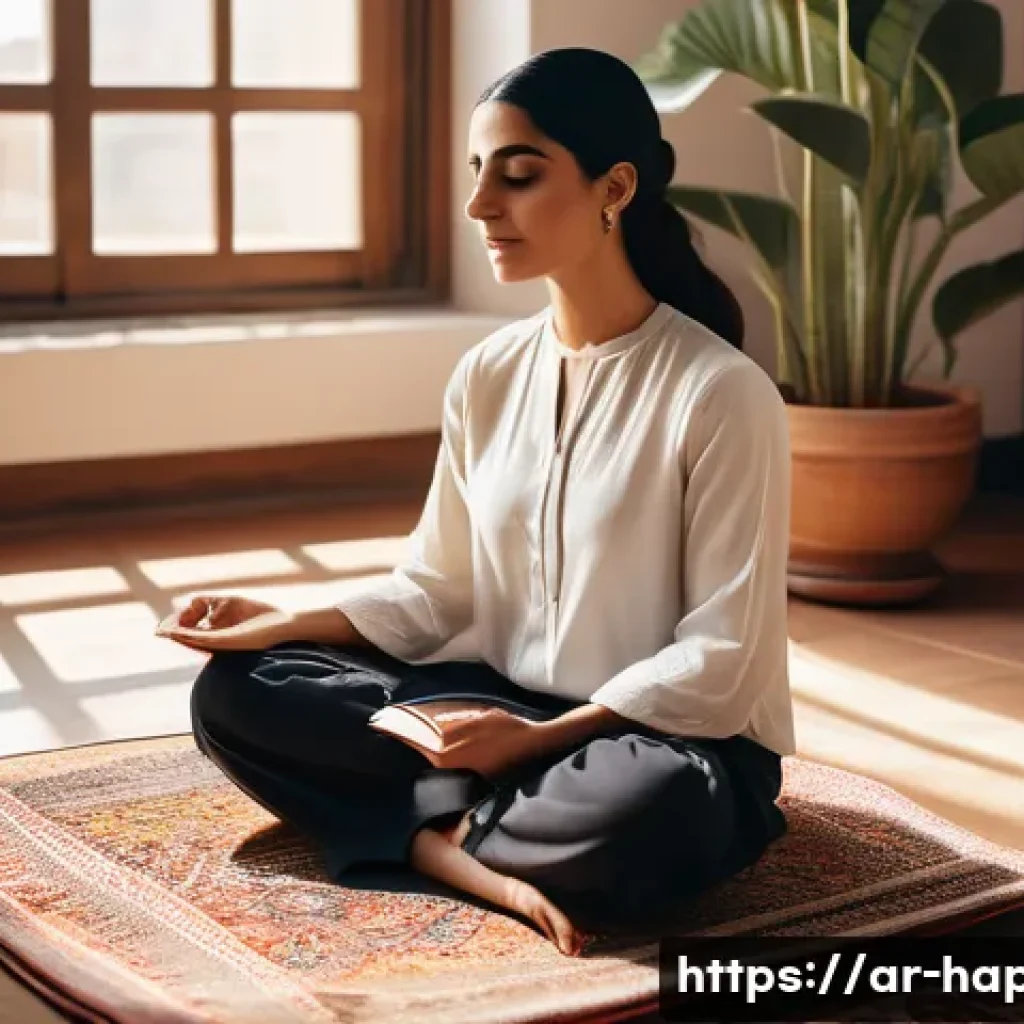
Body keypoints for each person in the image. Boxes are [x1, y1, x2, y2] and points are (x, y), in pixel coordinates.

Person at [158, 48, 795, 958]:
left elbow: (723, 655)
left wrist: (542, 741)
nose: (480, 205)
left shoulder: (720, 392)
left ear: (615, 188)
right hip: (488, 704)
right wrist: (285, 621)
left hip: (645, 737)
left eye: (519, 175)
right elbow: (438, 590)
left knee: (658, 814)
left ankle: (416, 827)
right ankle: (455, 843)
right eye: (476, 172)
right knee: (235, 693)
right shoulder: (487, 374)